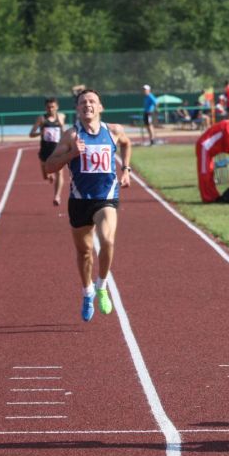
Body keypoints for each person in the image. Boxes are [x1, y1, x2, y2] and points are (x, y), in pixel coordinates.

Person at [44, 89, 132, 322]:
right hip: (80, 200)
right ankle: (87, 292)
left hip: (106, 198)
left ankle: (102, 285)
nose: (88, 105)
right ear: (78, 109)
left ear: (100, 107)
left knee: (107, 240)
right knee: (84, 253)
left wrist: (126, 170)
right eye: (83, 102)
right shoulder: (71, 135)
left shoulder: (113, 131)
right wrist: (72, 154)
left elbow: (126, 144)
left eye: (92, 101)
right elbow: (49, 167)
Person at [195, 117, 229, 203]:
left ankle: (213, 196)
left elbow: (227, 146)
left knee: (210, 172)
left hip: (208, 150)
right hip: (205, 148)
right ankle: (207, 197)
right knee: (205, 173)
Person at [29, 97, 67, 206]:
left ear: (57, 107)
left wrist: (60, 123)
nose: (51, 109)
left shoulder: (61, 116)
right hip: (45, 150)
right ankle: (49, 175)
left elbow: (64, 133)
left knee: (59, 173)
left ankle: (57, 196)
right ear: (46, 108)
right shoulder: (41, 119)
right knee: (45, 176)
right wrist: (40, 133)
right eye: (48, 107)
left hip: (58, 150)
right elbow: (31, 134)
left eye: (53, 107)